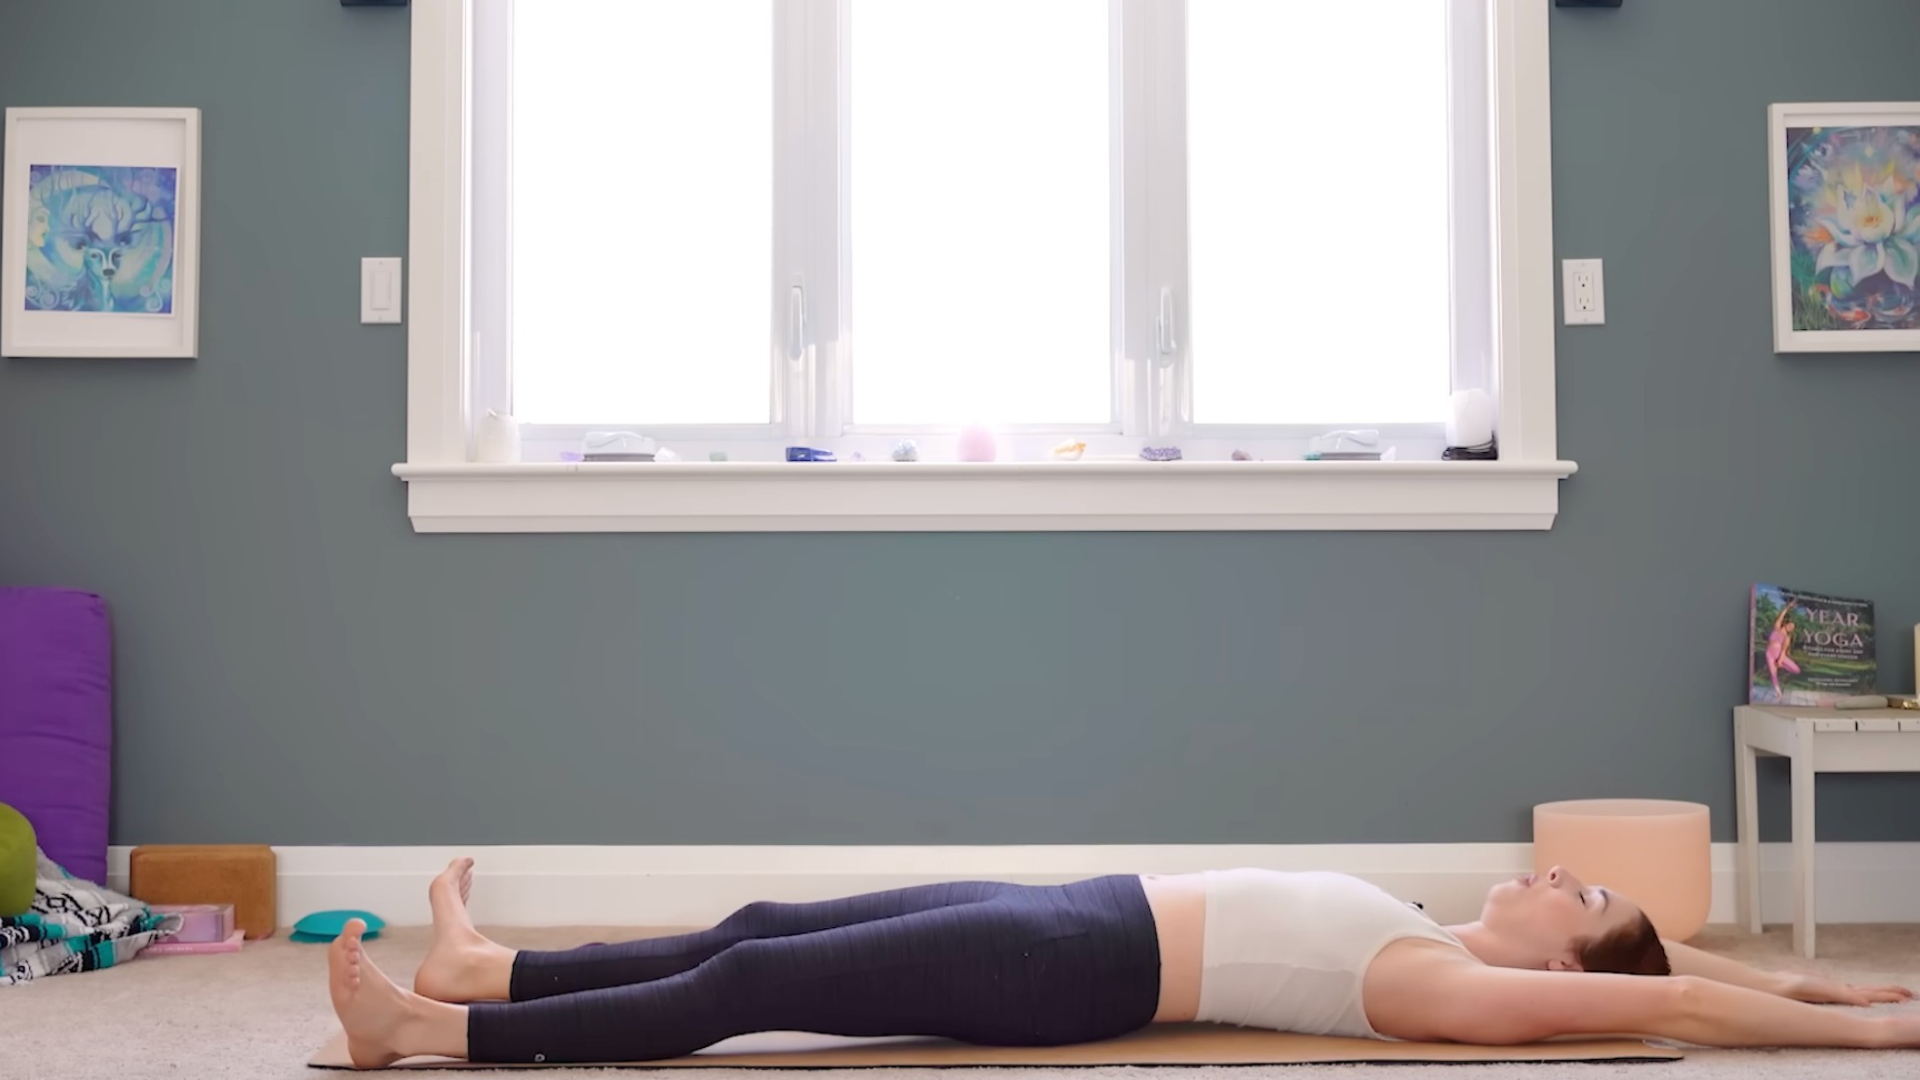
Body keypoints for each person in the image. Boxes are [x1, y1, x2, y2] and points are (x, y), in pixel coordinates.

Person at [326, 858, 1916, 1067]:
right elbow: (1688, 951)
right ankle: (491, 973)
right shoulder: (1439, 927)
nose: (1556, 873)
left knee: (755, 997)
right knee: (758, 929)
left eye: (1574, 893)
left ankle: (433, 1043)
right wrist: (1816, 973)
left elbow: (1666, 988)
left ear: (1567, 962)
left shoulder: (1449, 988)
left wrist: (1854, 1030)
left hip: (1072, 968)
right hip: (1080, 909)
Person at [1766, 598, 1802, 699]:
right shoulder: (1777, 627)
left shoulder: (1787, 637)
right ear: (1786, 623)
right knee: (1773, 674)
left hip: (1778, 653)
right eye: (1790, 624)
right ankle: (1778, 693)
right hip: (1769, 653)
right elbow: (1781, 616)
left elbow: (1783, 650)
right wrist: (1788, 607)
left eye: (1793, 627)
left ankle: (1781, 665)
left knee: (1797, 670)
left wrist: (1780, 660)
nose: (1791, 627)